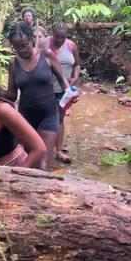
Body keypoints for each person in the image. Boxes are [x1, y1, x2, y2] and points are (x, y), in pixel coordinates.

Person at [7, 24, 69, 170]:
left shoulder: (46, 54)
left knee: (42, 165)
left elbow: (62, 81)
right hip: (25, 118)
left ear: (31, 40)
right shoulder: (13, 64)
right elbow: (11, 95)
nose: (22, 50)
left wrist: (70, 93)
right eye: (17, 47)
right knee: (28, 162)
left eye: (25, 45)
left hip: (49, 115)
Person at [45, 22, 81, 163]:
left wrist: (75, 77)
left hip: (63, 89)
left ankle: (58, 151)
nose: (60, 40)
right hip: (45, 88)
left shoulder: (71, 45)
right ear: (52, 34)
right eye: (57, 37)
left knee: (60, 117)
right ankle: (43, 149)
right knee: (45, 118)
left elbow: (77, 65)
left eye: (63, 37)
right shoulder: (44, 43)